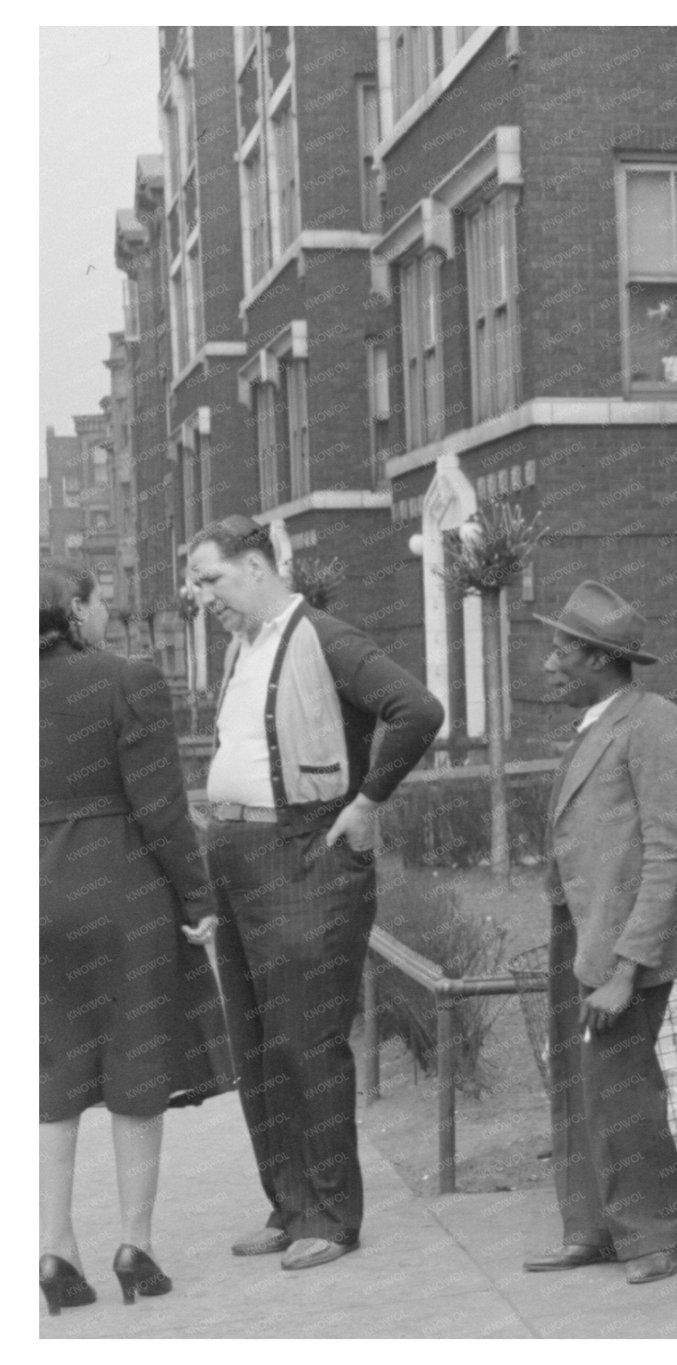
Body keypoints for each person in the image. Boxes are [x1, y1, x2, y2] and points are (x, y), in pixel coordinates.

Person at [185, 515, 443, 1271]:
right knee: (257, 1041)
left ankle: (330, 1214)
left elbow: (418, 709)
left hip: (304, 857)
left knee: (306, 1038)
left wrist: (368, 801)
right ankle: (288, 1204)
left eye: (211, 579)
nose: (203, 597)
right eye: (197, 584)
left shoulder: (324, 637)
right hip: (239, 857)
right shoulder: (241, 647)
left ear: (257, 566)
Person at [39, 562, 227, 1315]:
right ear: (73, 609)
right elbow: (161, 805)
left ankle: (54, 1248)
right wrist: (198, 897)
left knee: (50, 1073)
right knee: (136, 1058)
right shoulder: (128, 679)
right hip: (121, 890)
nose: (106, 612)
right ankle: (134, 1247)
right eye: (97, 601)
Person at [522, 581, 677, 1285]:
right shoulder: (597, 722)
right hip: (582, 934)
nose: (549, 663)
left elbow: (672, 854)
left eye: (561, 650)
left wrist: (627, 968)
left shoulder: (654, 724)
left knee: (624, 1088)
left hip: (625, 945)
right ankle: (593, 1227)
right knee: (581, 1085)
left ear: (598, 658)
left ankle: (659, 1233)